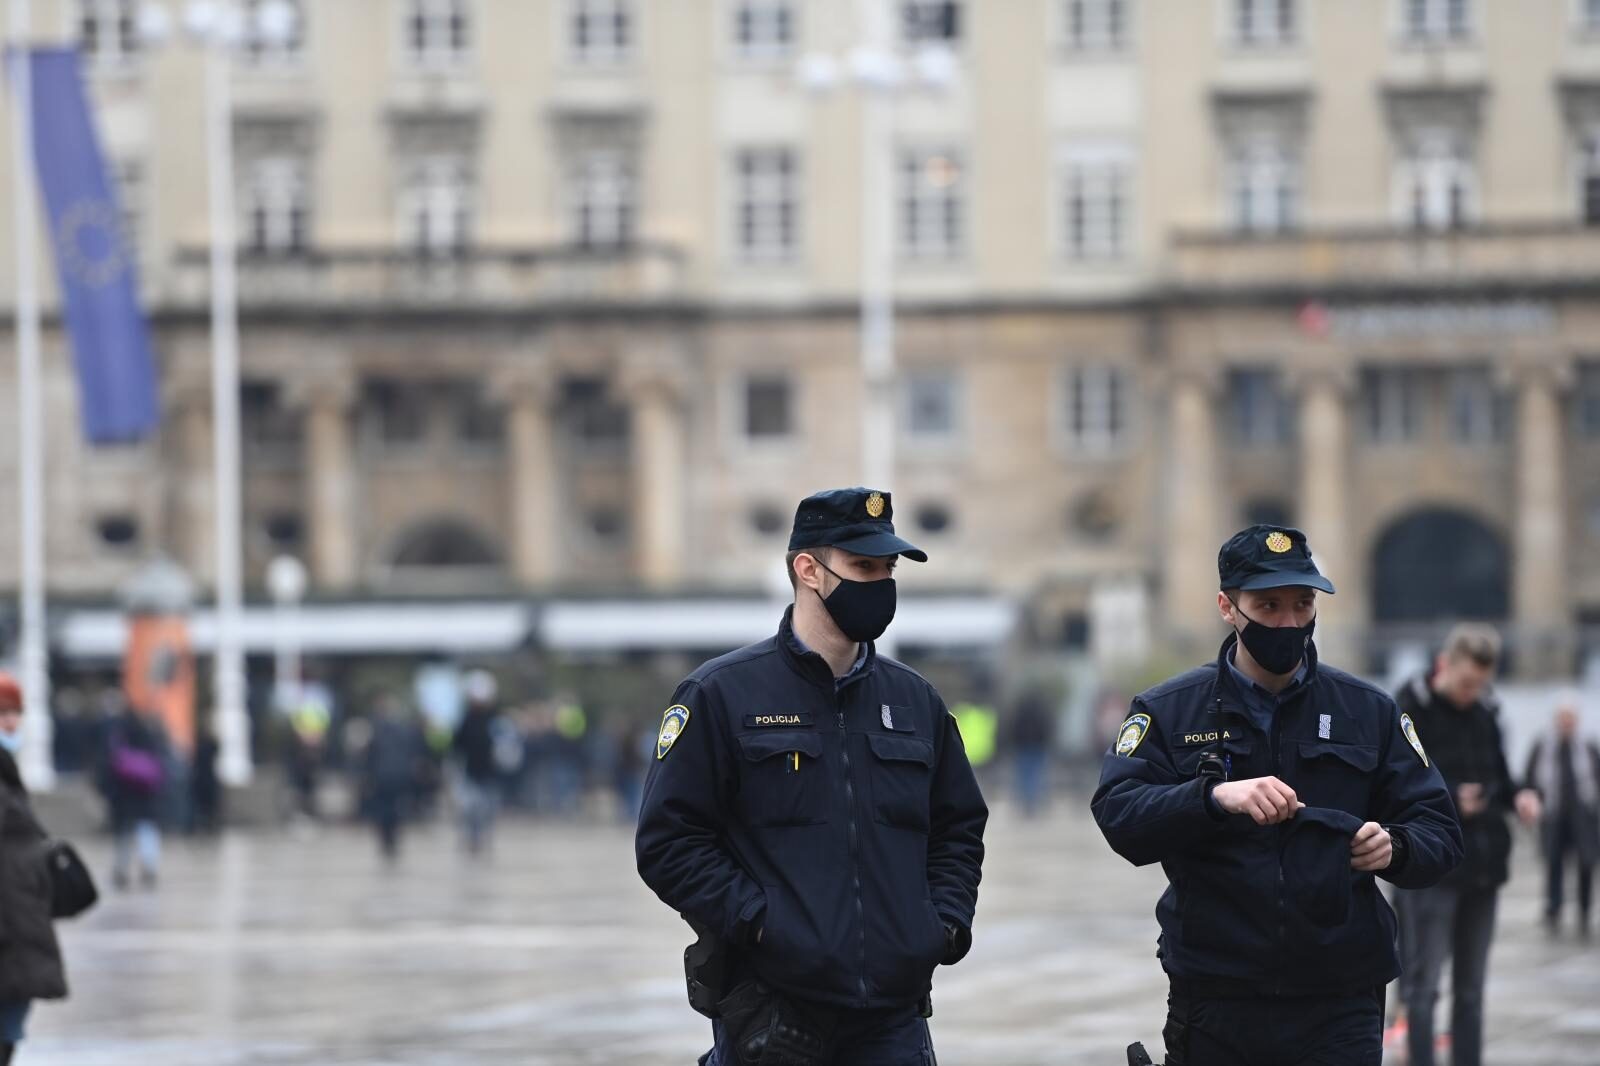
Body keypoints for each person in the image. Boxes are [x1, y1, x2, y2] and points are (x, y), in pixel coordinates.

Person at [636, 487, 988, 1065]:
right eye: (862, 567)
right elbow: (669, 841)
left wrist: (942, 924)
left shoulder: (914, 700)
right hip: (775, 1012)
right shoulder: (722, 694)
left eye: (887, 569)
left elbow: (958, 827)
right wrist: (759, 921)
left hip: (893, 1019)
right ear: (809, 570)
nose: (879, 583)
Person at [1091, 525, 1462, 1066]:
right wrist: (1212, 798)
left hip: (1341, 996)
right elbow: (1119, 815)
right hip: (1217, 994)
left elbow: (1441, 832)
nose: (1289, 622)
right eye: (1268, 606)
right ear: (1227, 606)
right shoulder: (1170, 710)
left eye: (1303, 604)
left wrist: (1396, 848)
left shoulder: (1369, 710)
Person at [1393, 624, 1541, 1066]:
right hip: (1429, 869)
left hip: (1483, 865)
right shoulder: (1409, 709)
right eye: (1465, 683)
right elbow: (1398, 783)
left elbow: (1502, 775)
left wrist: (1521, 796)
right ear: (1446, 665)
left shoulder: (1485, 711)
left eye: (1480, 684)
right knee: (1423, 986)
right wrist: (1454, 795)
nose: (1471, 692)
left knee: (1472, 991)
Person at [0, 672, 68, 1064]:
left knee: (9, 1032)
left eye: (15, 713)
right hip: (7, 931)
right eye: (1, 713)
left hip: (17, 925)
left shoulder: (7, 771)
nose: (11, 723)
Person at [1522, 694, 1599, 939]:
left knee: (1586, 863)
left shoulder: (1587, 746)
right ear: (1556, 720)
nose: (1566, 723)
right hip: (1553, 813)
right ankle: (1554, 909)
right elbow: (1530, 778)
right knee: (1553, 862)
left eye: (1570, 718)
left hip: (1582, 814)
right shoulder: (1543, 746)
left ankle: (1585, 910)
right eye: (1562, 718)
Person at [101, 700, 169, 890]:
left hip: (125, 796)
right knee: (146, 830)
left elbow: (110, 766)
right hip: (145, 795)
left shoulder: (119, 737)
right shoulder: (150, 734)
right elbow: (159, 765)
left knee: (123, 834)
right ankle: (149, 866)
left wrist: (108, 791)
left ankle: (122, 869)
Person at [363, 693, 427, 863]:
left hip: (385, 776)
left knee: (386, 809)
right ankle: (390, 839)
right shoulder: (402, 730)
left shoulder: (377, 730)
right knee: (393, 809)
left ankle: (388, 839)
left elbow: (370, 756)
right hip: (395, 776)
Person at [451, 670, 507, 857]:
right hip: (470, 773)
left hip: (490, 774)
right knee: (470, 811)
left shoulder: (495, 720)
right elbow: (456, 746)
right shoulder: (465, 720)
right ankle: (472, 840)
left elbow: (504, 746)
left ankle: (484, 839)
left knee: (487, 811)